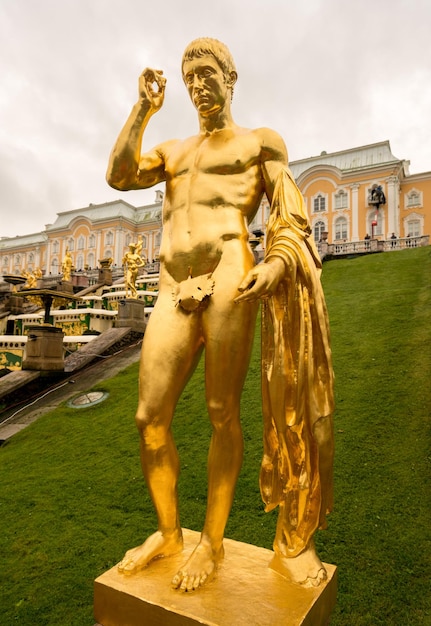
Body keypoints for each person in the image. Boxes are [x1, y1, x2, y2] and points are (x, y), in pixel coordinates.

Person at [106, 38, 334, 592]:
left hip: (229, 272)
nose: (198, 87)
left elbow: (290, 211)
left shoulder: (259, 143)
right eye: (190, 80)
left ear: (230, 78)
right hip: (170, 285)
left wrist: (279, 262)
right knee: (148, 419)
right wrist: (141, 109)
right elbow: (119, 176)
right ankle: (168, 532)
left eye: (207, 75)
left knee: (219, 411)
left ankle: (211, 541)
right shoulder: (173, 151)